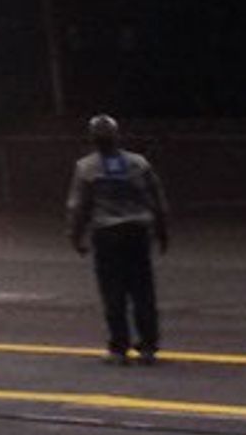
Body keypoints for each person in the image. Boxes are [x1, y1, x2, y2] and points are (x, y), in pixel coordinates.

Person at [64, 113, 172, 363]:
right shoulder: (139, 163)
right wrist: (162, 231)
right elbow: (157, 200)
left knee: (113, 291)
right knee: (142, 291)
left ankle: (118, 347)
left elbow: (78, 206)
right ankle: (148, 346)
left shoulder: (87, 167)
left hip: (107, 234)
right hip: (137, 232)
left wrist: (75, 235)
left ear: (92, 139)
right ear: (117, 136)